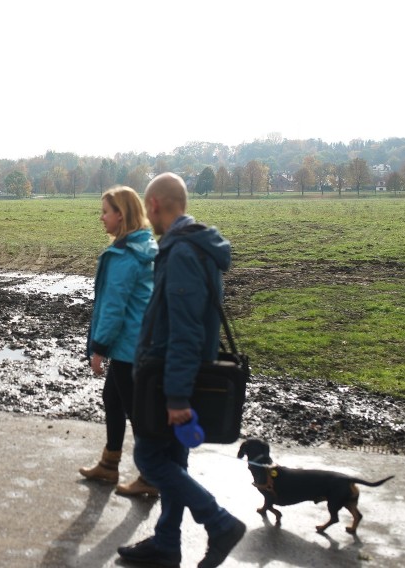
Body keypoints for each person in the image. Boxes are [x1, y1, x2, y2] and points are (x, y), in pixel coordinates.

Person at [118, 173, 245, 568]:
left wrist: (175, 396)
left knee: (151, 460)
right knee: (173, 462)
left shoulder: (184, 253)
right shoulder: (188, 246)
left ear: (154, 204)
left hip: (167, 375)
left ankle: (219, 521)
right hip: (173, 371)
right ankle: (167, 543)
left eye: (147, 205)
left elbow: (186, 330)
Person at [79, 186, 159, 498]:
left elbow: (114, 306)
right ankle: (109, 465)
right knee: (113, 400)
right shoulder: (143, 246)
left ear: (121, 215)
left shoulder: (125, 256)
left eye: (105, 212)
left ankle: (151, 475)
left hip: (128, 346)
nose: (101, 218)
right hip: (137, 343)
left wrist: (99, 348)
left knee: (136, 413)